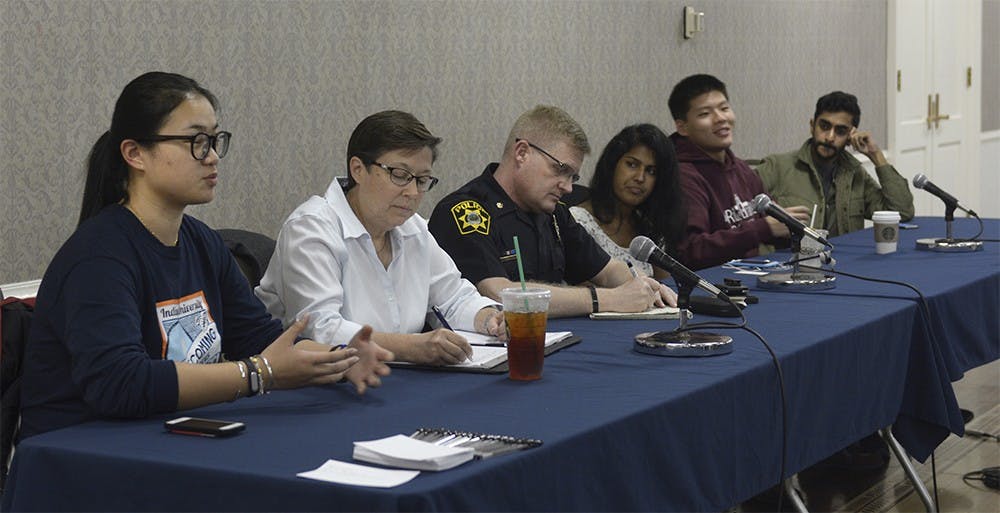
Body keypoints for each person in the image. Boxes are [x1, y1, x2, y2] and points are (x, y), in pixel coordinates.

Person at [18, 72, 392, 440]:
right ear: (135, 154)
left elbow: (259, 338)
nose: (212, 157)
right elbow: (120, 383)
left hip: (172, 436)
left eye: (215, 141)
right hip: (84, 453)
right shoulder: (98, 258)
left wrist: (339, 358)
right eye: (197, 141)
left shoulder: (202, 242)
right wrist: (257, 374)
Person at [256, 111, 505, 366]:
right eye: (400, 175)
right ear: (358, 170)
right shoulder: (311, 229)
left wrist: (490, 319)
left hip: (394, 379)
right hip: (320, 386)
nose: (412, 192)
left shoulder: (414, 228)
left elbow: (454, 298)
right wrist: (411, 346)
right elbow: (319, 330)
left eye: (422, 180)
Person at [428, 105, 677, 318]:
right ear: (522, 153)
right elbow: (499, 294)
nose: (568, 187)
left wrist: (644, 288)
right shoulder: (466, 211)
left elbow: (608, 269)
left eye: (573, 176)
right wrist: (606, 300)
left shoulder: (553, 213)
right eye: (560, 170)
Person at [668, 74, 812, 271]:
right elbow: (691, 251)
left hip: (750, 276)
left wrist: (788, 228)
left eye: (724, 108)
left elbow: (769, 223)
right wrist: (764, 228)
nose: (720, 118)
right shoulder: (683, 176)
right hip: (712, 287)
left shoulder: (739, 167)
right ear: (682, 127)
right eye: (705, 114)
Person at [755, 91, 914, 237]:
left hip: (843, 263)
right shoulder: (776, 167)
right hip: (791, 262)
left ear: (850, 135)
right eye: (824, 126)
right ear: (812, 126)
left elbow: (901, 212)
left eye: (840, 131)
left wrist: (876, 155)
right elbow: (740, 221)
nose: (830, 137)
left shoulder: (854, 173)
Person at [569, 124, 685, 280]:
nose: (640, 177)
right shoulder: (578, 222)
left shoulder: (648, 227)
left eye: (651, 171)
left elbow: (665, 285)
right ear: (612, 165)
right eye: (632, 164)